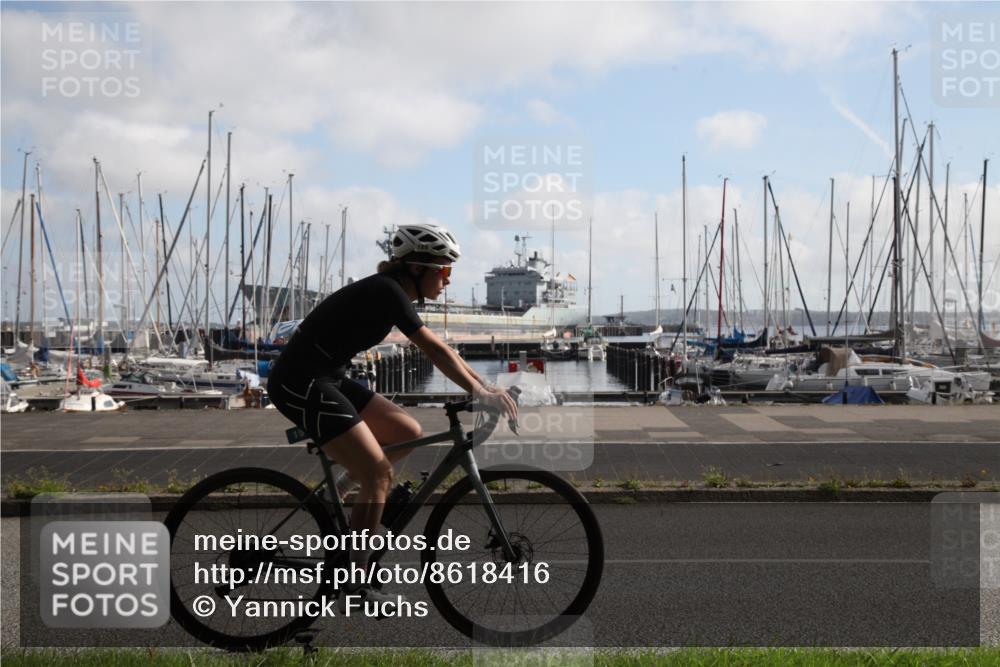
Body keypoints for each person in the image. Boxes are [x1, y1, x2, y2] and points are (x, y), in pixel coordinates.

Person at [267, 223, 518, 606]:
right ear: (417, 268)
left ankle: (350, 487)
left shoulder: (391, 291)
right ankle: (355, 580)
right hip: (298, 382)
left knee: (406, 429)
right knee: (380, 473)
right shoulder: (387, 291)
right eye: (445, 270)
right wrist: (481, 392)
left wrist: (486, 387)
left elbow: (440, 350)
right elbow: (433, 348)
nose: (448, 280)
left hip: (326, 377)